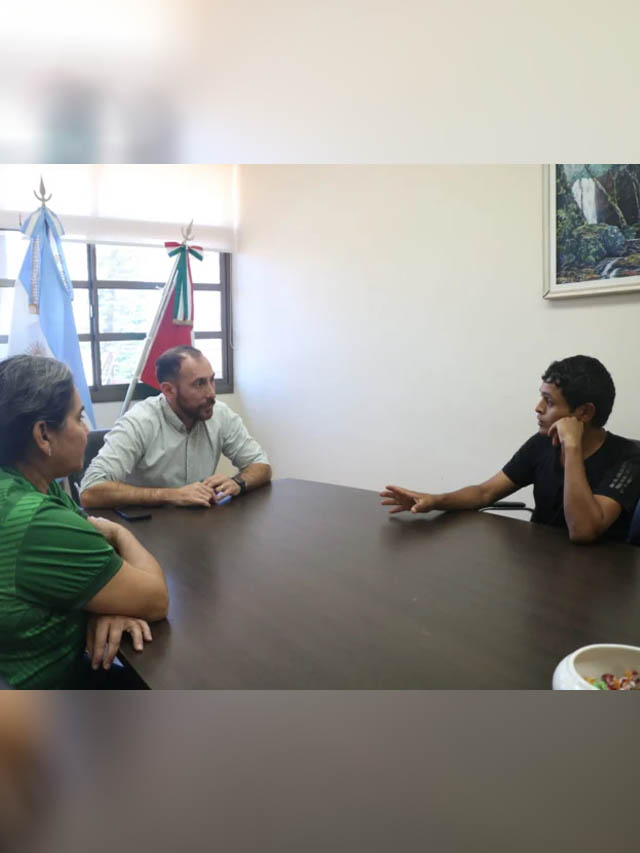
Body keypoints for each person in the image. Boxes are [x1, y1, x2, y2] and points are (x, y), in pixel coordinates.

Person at [0, 355, 169, 689]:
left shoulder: (27, 485)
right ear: (43, 435)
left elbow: (91, 549)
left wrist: (103, 603)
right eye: (78, 417)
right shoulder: (38, 521)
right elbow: (156, 598)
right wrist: (120, 532)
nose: (87, 429)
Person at [380, 355, 640, 544]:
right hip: (543, 566)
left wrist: (572, 447)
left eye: (549, 402)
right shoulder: (541, 443)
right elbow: (485, 492)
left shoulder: (628, 457)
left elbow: (583, 531)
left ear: (584, 413)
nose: (538, 408)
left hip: (601, 579)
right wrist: (435, 501)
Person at [79, 345, 271, 509]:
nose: (211, 393)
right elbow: (90, 490)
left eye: (211, 380)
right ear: (168, 390)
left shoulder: (219, 414)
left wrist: (237, 483)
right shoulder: (139, 422)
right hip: (147, 529)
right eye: (199, 384)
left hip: (201, 526)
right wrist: (171, 494)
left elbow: (261, 465)